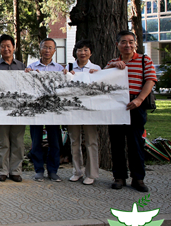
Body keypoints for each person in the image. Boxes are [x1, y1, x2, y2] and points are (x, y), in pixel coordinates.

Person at [105, 30, 156, 192]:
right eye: (123, 42)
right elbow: (101, 79)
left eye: (130, 42)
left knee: (136, 143)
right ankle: (119, 177)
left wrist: (139, 99)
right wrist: (112, 66)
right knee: (117, 143)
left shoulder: (144, 60)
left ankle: (138, 178)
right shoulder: (113, 62)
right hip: (116, 107)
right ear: (117, 45)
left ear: (135, 43)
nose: (127, 45)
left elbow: (150, 80)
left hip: (136, 105)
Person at [25, 38, 66, 182]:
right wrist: (27, 74)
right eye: (44, 47)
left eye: (50, 48)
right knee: (36, 141)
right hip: (36, 110)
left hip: (53, 111)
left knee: (54, 141)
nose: (47, 50)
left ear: (54, 50)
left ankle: (53, 171)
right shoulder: (31, 67)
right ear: (40, 49)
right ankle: (39, 170)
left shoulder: (60, 69)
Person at [0, 34, 26, 182]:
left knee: (18, 141)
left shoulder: (22, 67)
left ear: (14, 47)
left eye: (8, 46)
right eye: (3, 46)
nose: (6, 49)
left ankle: (15, 171)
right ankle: (2, 170)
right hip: (0, 111)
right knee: (2, 141)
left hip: (18, 111)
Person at [65, 39, 101, 185]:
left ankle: (91, 173)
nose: (83, 53)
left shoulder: (96, 68)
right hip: (73, 109)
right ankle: (77, 171)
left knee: (91, 141)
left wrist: (97, 76)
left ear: (90, 53)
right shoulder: (69, 67)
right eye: (80, 50)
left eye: (86, 50)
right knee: (74, 141)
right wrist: (66, 75)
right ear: (76, 52)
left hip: (90, 110)